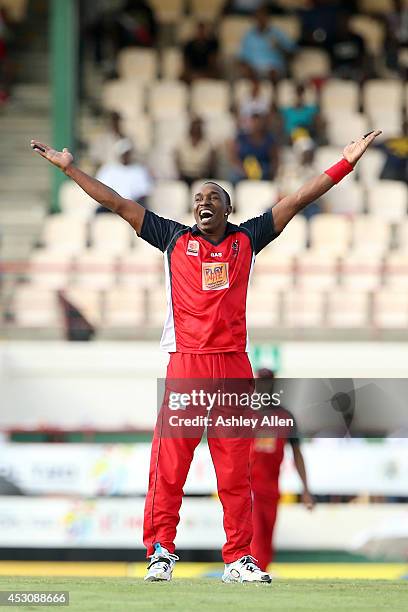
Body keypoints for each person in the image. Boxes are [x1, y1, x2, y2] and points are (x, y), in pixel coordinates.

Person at [30, 127, 381, 584]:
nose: (203, 201)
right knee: (170, 465)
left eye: (213, 196)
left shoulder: (247, 240)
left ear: (228, 209)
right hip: (189, 362)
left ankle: (238, 558)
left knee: (237, 471)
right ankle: (160, 551)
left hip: (234, 365)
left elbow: (296, 201)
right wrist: (70, 168)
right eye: (198, 196)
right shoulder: (172, 238)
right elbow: (117, 203)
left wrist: (345, 164)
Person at [250, 368, 314, 571]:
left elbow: (297, 453)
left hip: (270, 486)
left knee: (267, 532)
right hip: (247, 485)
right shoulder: (242, 414)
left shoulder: (284, 416)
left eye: (268, 382)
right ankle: (252, 570)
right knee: (255, 532)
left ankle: (262, 571)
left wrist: (305, 489)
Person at [238, 5, 297, 82]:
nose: (261, 20)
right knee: (247, 71)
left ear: (268, 18)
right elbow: (242, 57)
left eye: (263, 17)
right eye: (258, 17)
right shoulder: (249, 36)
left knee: (273, 73)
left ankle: (274, 93)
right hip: (254, 69)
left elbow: (292, 53)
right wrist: (245, 67)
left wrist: (279, 46)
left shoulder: (277, 33)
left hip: (274, 68)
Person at [95, 137, 153, 211]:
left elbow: (144, 193)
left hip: (133, 205)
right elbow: (101, 190)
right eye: (124, 154)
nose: (126, 156)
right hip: (112, 204)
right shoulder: (108, 169)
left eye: (128, 154)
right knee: (98, 213)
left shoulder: (139, 170)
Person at [228, 112, 279, 183]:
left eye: (258, 122)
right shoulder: (240, 138)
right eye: (253, 121)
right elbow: (233, 157)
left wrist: (268, 171)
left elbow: (274, 160)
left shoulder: (269, 139)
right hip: (243, 168)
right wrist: (243, 170)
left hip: (263, 168)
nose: (256, 124)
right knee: (234, 176)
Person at [175, 117, 216, 186]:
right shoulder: (181, 143)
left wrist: (204, 176)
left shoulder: (208, 144)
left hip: (202, 176)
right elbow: (177, 161)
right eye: (194, 127)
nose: (196, 130)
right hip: (184, 176)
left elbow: (211, 164)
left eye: (198, 127)